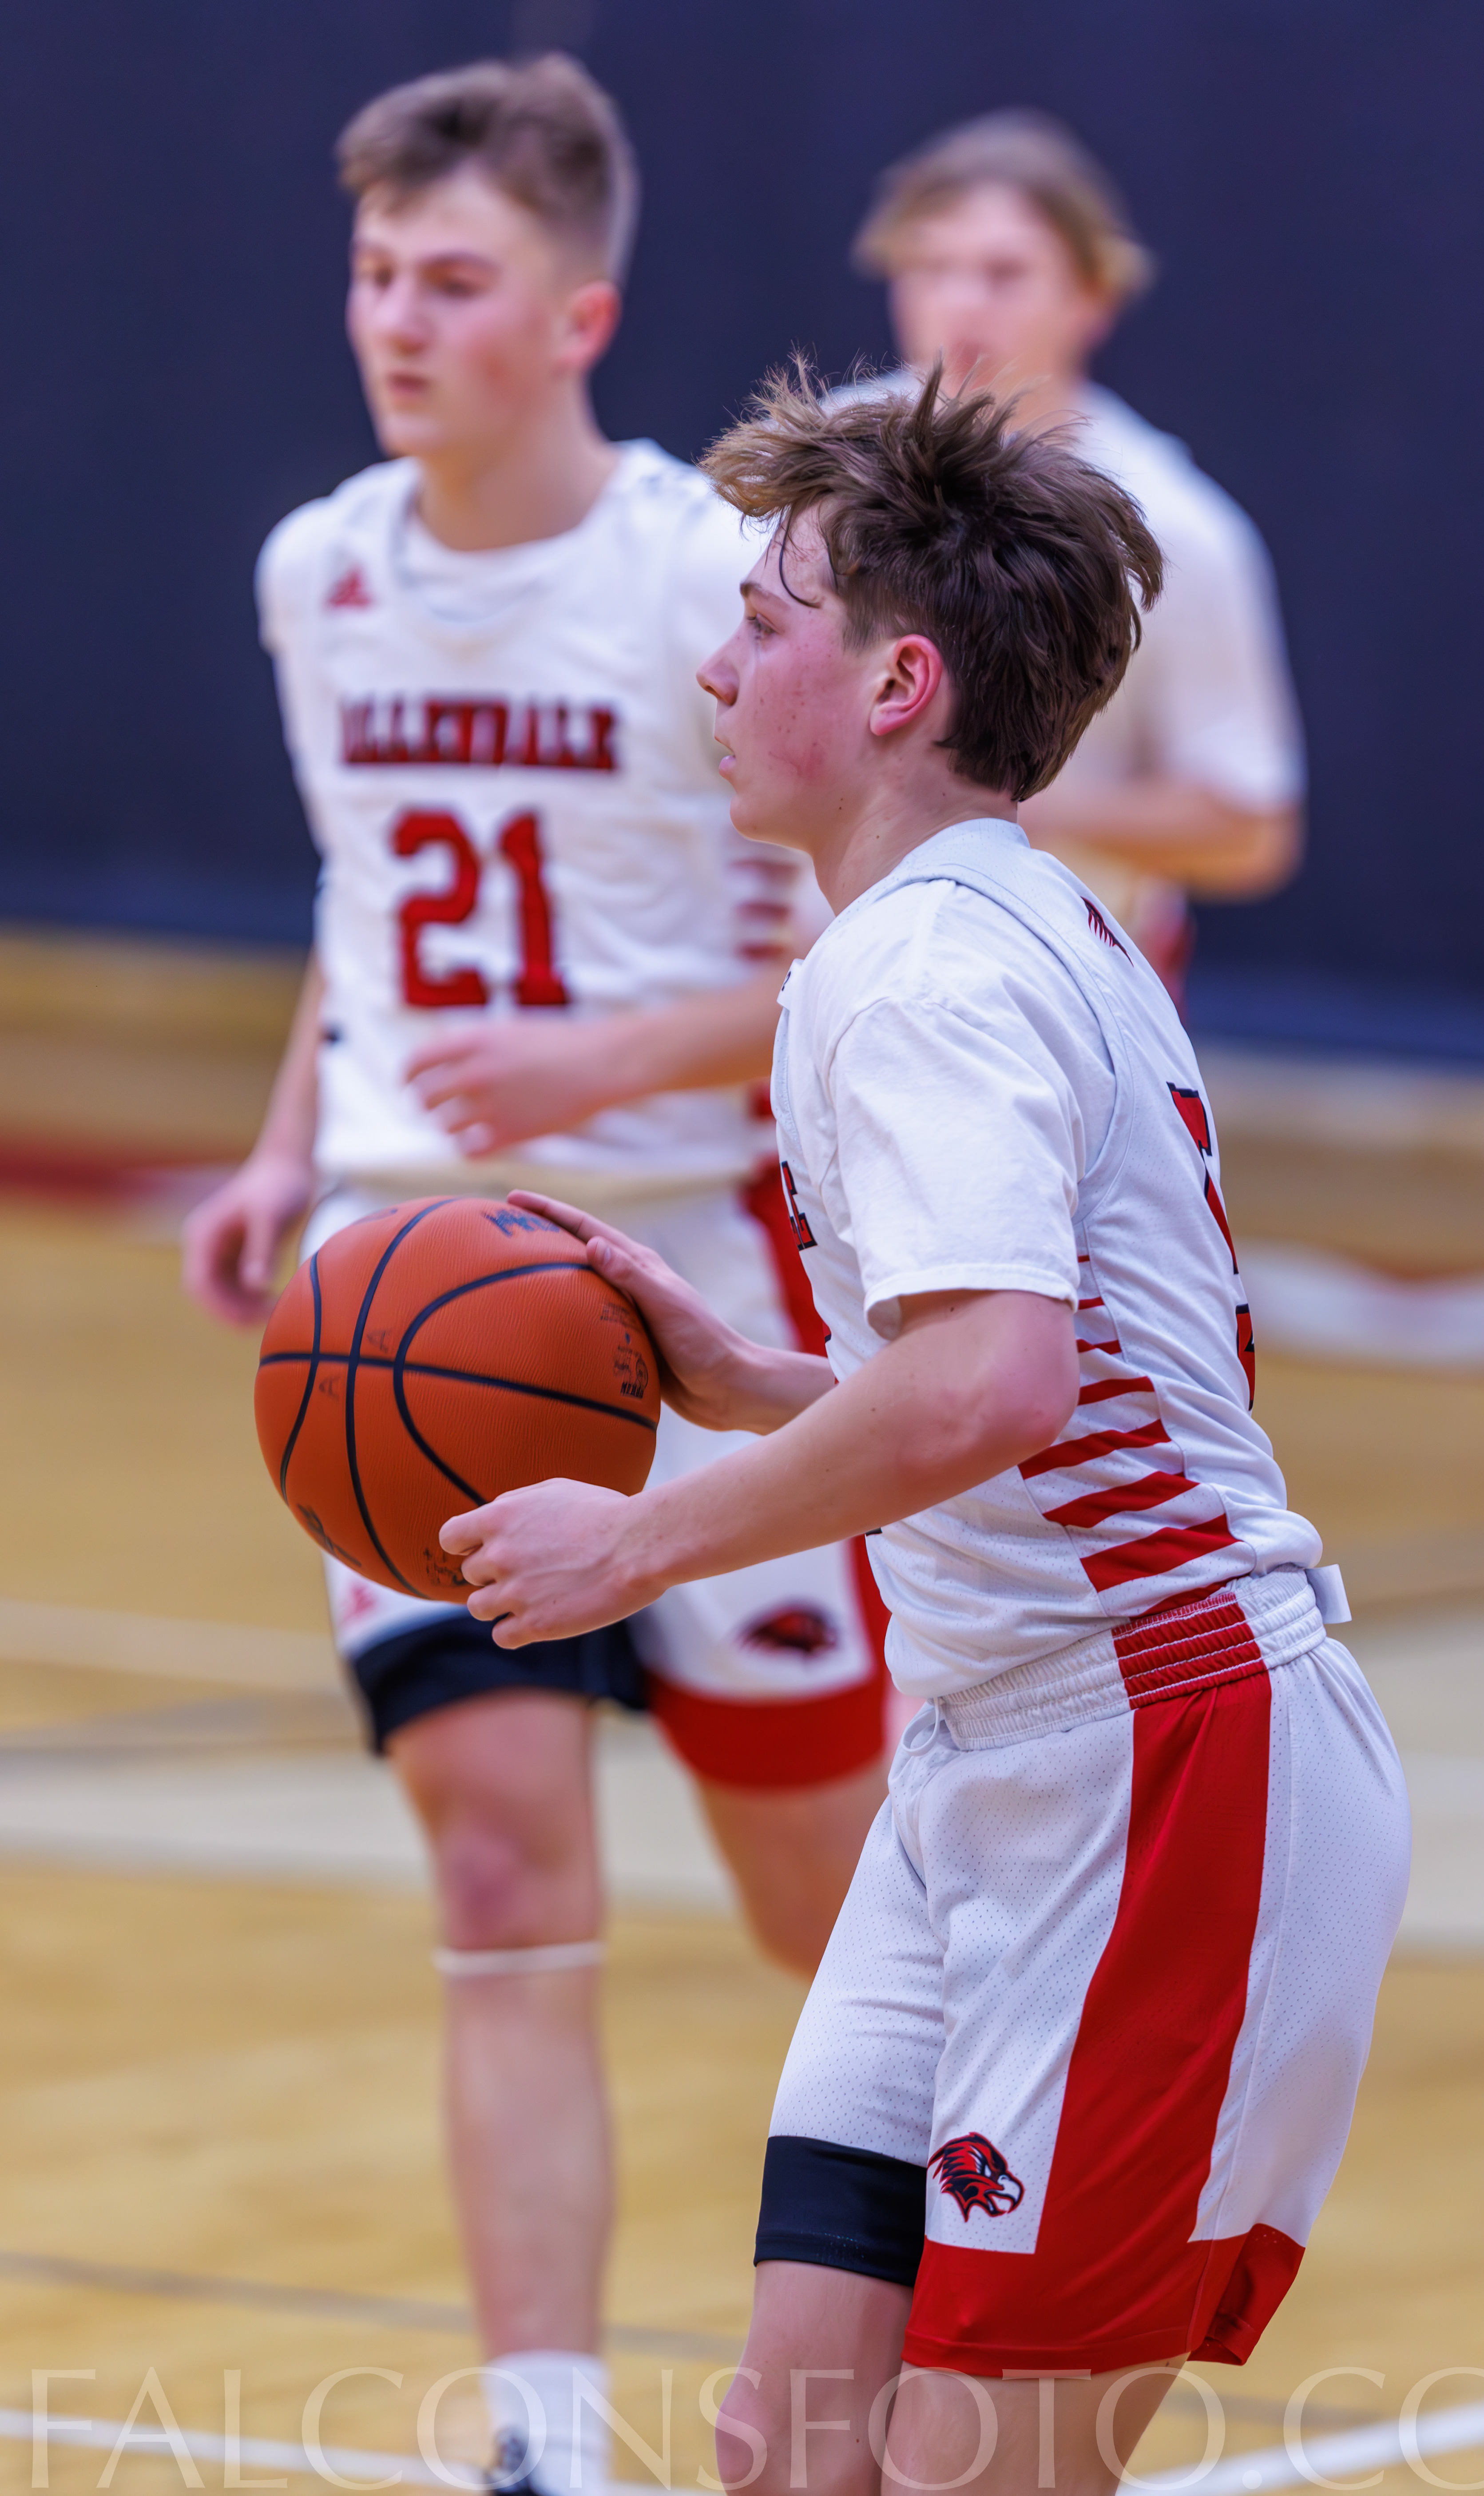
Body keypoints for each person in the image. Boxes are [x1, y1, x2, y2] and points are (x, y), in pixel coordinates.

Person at [441, 373, 1410, 2495]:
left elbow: (992, 1386)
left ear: (897, 681)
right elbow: (1031, 1391)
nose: (715, 665)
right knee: (791, 2448)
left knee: (980, 2474)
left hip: (1161, 1761)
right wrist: (761, 1379)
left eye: (763, 620)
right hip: (989, 1753)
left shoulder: (924, 975)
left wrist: (641, 1539)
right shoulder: (970, 922)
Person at [180, 57, 889, 2496]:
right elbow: (357, 887)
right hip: (401, 1279)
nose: (397, 317)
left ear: (578, 315)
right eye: (375, 271)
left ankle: (933, 2327)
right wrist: (288, 1140)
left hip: (683, 1269)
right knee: (497, 1860)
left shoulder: (710, 578)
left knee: (831, 1905)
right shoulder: (319, 567)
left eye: (453, 279)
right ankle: (546, 2445)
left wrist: (608, 1053)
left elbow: (863, 941)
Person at [850, 111, 1305, 1001]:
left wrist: (986, 798)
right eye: (930, 267)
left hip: (1055, 995)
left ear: (1092, 297)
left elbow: (1252, 830)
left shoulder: (1173, 528)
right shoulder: (822, 468)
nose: (962, 301)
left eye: (1004, 273)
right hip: (827, 981)